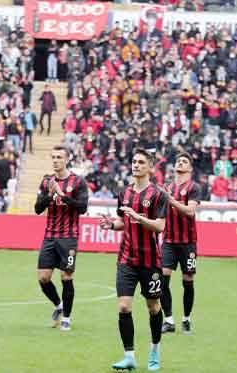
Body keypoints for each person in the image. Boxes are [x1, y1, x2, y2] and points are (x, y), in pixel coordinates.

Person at [100, 149, 167, 371]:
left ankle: (155, 349)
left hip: (151, 261)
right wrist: (111, 224)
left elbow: (159, 226)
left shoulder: (158, 195)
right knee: (123, 306)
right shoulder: (124, 193)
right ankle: (129, 356)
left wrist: (138, 217)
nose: (136, 165)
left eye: (141, 162)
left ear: (150, 167)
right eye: (134, 161)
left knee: (154, 307)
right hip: (126, 259)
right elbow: (123, 221)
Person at [34, 146, 89, 331]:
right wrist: (50, 194)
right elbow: (37, 209)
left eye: (59, 157)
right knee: (43, 277)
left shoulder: (78, 181)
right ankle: (59, 305)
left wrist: (62, 194)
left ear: (67, 159)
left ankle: (66, 318)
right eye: (54, 157)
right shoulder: (46, 182)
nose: (56, 160)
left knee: (66, 276)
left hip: (69, 237)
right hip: (49, 236)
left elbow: (82, 208)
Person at [158, 152, 201, 334]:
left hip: (188, 242)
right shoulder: (167, 187)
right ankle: (168, 320)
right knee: (162, 278)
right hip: (168, 240)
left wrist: (171, 200)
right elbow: (160, 214)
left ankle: (186, 318)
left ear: (190, 168)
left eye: (184, 161)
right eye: (178, 161)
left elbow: (190, 212)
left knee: (188, 280)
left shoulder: (194, 187)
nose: (180, 163)